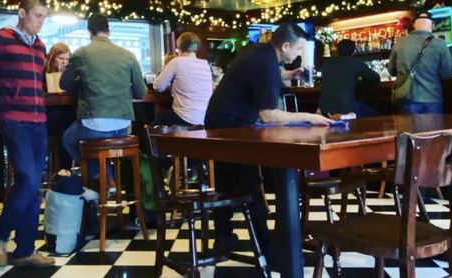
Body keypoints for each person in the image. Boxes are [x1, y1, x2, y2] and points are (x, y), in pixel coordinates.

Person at [204, 22, 330, 259]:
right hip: (232, 126)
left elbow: (271, 74)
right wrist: (310, 117)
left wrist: (291, 74)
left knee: (226, 182)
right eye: (299, 49)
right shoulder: (264, 63)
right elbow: (269, 114)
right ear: (285, 46)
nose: (299, 54)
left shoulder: (258, 52)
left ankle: (223, 238)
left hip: (219, 121)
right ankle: (268, 248)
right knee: (250, 183)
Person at [0, 0, 54, 268]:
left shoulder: (41, 47)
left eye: (44, 17)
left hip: (38, 120)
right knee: (29, 180)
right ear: (21, 13)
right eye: (37, 16)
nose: (41, 22)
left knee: (33, 187)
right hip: (12, 119)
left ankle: (25, 250)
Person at [60, 13, 146, 185]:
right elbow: (141, 93)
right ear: (109, 31)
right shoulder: (128, 55)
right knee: (100, 143)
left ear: (89, 33)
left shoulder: (81, 53)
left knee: (68, 139)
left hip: (94, 125)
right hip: (123, 128)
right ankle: (110, 180)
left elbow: (64, 84)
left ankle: (102, 177)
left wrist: (81, 82)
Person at [388, 10, 452, 114]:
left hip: (407, 98)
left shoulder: (400, 42)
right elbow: (447, 74)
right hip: (432, 98)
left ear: (414, 25)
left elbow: (391, 71)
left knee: (410, 130)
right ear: (433, 25)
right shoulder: (440, 44)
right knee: (434, 130)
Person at [152, 32, 213, 126]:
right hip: (203, 118)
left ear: (179, 47)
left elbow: (158, 86)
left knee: (149, 130)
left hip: (183, 117)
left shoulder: (176, 62)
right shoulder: (205, 64)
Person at [319, 39, 381, 117]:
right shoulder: (355, 62)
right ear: (353, 50)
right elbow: (376, 78)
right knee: (376, 113)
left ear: (337, 50)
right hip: (345, 109)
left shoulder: (327, 63)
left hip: (324, 109)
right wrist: (360, 80)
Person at [44, 42, 74, 170]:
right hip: (47, 116)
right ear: (52, 58)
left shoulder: (70, 76)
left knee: (66, 122)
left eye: (67, 59)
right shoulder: (42, 74)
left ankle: (64, 171)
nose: (64, 62)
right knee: (64, 125)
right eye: (61, 58)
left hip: (62, 114)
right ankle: (64, 171)